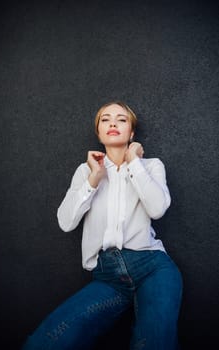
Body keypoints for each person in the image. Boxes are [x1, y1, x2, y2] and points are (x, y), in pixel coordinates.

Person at [22, 101, 183, 350]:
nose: (113, 123)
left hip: (152, 267)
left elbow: (157, 209)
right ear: (98, 133)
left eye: (121, 119)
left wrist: (133, 163)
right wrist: (94, 178)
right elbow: (66, 222)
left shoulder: (151, 166)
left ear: (131, 133)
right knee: (44, 343)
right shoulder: (85, 171)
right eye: (105, 119)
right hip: (108, 276)